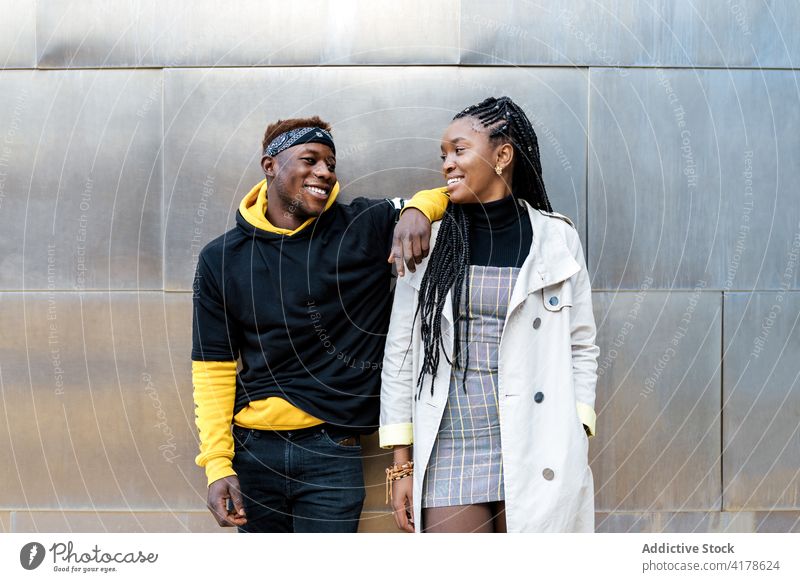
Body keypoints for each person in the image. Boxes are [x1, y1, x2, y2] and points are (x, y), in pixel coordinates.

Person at [192, 116, 449, 532]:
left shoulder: (360, 227)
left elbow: (454, 191)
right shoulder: (222, 258)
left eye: (330, 164)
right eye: (310, 160)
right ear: (270, 165)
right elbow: (212, 369)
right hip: (253, 452)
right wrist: (217, 465)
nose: (325, 173)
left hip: (333, 452)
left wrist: (419, 208)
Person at [380, 97, 599, 533]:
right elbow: (401, 353)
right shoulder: (429, 240)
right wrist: (402, 464)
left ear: (502, 155)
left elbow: (582, 344)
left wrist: (577, 428)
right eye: (443, 154)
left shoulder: (556, 238)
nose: (447, 163)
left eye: (459, 150)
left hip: (539, 440)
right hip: (451, 444)